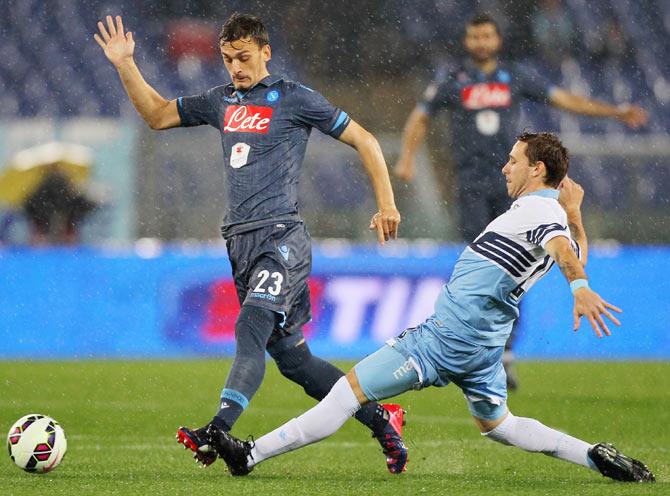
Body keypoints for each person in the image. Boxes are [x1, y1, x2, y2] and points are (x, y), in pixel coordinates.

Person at [208, 132, 655, 483]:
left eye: (514, 160)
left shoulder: (539, 213)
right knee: (499, 424)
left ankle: (250, 455)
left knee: (347, 393)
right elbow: (572, 244)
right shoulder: (550, 213)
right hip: (485, 348)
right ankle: (592, 455)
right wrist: (576, 217)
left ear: (537, 169)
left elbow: (563, 250)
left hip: (446, 339)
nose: (505, 167)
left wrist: (578, 285)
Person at [94, 13, 408, 473]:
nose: (235, 68)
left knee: (250, 327)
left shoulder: (295, 98)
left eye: (243, 57)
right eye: (227, 59)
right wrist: (125, 64)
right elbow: (159, 114)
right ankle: (384, 420)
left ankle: (218, 427)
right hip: (240, 243)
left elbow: (365, 138)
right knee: (295, 361)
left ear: (265, 52)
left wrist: (386, 203)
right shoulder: (220, 101)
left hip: (282, 237)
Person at [394, 13, 648, 389]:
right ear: (468, 41)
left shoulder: (515, 77)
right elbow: (420, 117)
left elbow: (565, 100)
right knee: (486, 269)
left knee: (515, 270)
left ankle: (501, 351)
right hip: (472, 187)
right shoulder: (453, 79)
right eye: (475, 35)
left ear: (497, 40)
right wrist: (407, 156)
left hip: (513, 187)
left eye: (487, 35)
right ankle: (484, 350)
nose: (481, 41)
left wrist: (614, 111)